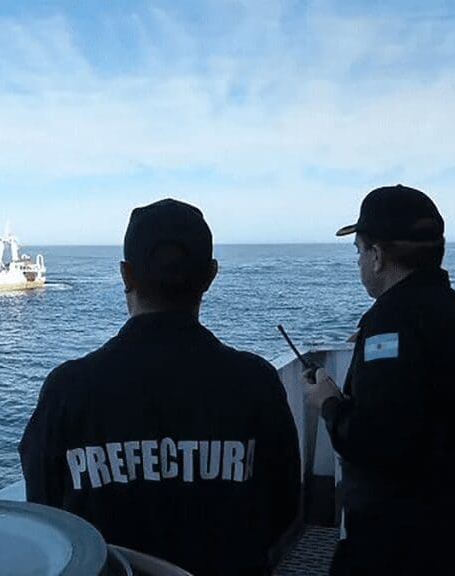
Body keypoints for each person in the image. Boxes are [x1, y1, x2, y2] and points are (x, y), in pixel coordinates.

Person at [19, 198, 301, 575]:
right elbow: (284, 507)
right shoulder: (257, 383)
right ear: (210, 276)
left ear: (126, 275)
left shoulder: (67, 390)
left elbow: (46, 515)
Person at [306, 185, 455, 575]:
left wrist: (328, 403)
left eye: (359, 251)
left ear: (377, 256)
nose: (359, 262)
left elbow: (376, 439)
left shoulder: (392, 319)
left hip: (403, 543)